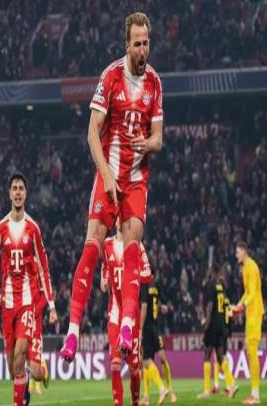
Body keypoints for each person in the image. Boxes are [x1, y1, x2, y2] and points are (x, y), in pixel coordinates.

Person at [60, 11, 163, 362]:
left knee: (132, 245)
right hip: (109, 174)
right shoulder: (111, 77)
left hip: (135, 180)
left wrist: (147, 145)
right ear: (126, 45)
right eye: (137, 44)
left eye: (146, 43)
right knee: (92, 244)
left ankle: (128, 326)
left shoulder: (155, 83)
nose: (143, 50)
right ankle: (72, 332)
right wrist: (105, 174)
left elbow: (159, 138)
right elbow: (92, 132)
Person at [0, 173, 57, 406]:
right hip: (7, 306)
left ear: (26, 193)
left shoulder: (33, 228)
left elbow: (44, 267)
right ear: (9, 193)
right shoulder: (1, 228)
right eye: (14, 188)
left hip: (26, 304)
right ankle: (36, 382)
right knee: (13, 367)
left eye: (21, 188)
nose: (17, 192)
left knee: (21, 357)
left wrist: (51, 304)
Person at [100, 220, 150, 406]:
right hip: (115, 314)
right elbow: (104, 270)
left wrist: (134, 273)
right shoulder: (107, 245)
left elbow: (148, 274)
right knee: (114, 365)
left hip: (132, 316)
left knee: (135, 370)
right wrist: (104, 280)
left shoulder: (136, 245)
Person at [198, 263, 237, 399]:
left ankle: (206, 391)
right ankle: (232, 384)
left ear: (211, 271)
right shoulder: (221, 287)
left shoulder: (211, 285)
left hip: (213, 324)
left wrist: (207, 323)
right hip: (221, 324)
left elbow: (210, 306)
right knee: (220, 357)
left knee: (207, 355)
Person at [232, 241, 264, 404]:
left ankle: (256, 395)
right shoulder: (245, 268)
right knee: (250, 352)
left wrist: (242, 306)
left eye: (238, 252)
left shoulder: (251, 267)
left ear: (244, 251)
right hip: (251, 313)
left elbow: (253, 294)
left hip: (255, 312)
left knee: (252, 351)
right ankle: (254, 393)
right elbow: (247, 293)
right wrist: (238, 306)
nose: (236, 255)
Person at [139, 274, 177, 405]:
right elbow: (158, 306)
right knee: (151, 359)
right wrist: (162, 308)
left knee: (150, 359)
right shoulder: (153, 287)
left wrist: (139, 327)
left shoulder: (146, 287)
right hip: (155, 327)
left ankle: (166, 389)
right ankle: (147, 396)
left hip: (150, 327)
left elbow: (146, 307)